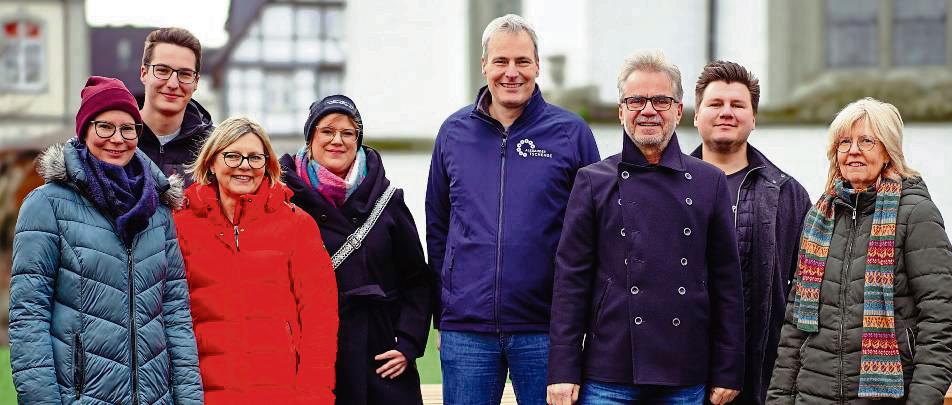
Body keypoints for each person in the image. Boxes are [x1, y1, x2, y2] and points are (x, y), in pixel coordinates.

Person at [546, 50, 744, 405]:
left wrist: (728, 368)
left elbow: (728, 283)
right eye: (636, 100)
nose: (648, 110)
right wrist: (562, 370)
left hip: (685, 372)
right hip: (609, 371)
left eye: (661, 100)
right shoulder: (592, 182)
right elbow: (569, 283)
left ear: (678, 110)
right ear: (622, 111)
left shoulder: (708, 182)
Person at [425, 13, 600, 405]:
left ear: (537, 66)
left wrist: (578, 321)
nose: (512, 73)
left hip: (547, 329)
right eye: (501, 61)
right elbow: (438, 226)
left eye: (522, 62)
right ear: (484, 65)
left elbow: (593, 232)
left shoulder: (571, 134)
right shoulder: (453, 133)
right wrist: (445, 313)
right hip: (466, 330)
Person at [9, 76, 202, 403]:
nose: (117, 139)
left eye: (128, 129)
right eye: (104, 127)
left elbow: (176, 317)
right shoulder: (46, 205)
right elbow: (29, 316)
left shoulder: (157, 211)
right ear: (83, 132)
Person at [768, 98, 952, 404]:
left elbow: (940, 322)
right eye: (844, 142)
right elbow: (793, 330)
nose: (853, 150)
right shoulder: (819, 219)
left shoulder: (917, 214)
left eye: (866, 140)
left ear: (888, 150)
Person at [279, 95, 433, 405]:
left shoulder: (387, 200)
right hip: (310, 355)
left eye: (348, 133)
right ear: (310, 138)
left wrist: (407, 342)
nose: (337, 140)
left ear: (358, 141)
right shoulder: (283, 199)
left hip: (379, 355)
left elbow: (417, 279)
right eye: (327, 131)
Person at [174, 117, 338, 404]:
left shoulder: (297, 225)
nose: (245, 166)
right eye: (233, 156)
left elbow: (320, 321)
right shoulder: (180, 225)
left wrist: (315, 396)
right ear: (212, 162)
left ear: (268, 165)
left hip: (279, 393)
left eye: (255, 158)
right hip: (204, 395)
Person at [689, 60, 811, 404]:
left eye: (737, 105)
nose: (726, 112)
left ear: (753, 118)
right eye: (715, 104)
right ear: (696, 115)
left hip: (762, 372)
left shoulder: (787, 194)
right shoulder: (666, 188)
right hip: (681, 371)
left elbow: (807, 289)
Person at [138, 27, 214, 183]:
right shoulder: (115, 141)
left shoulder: (214, 147)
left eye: (185, 74)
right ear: (144, 74)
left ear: (196, 82)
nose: (173, 84)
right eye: (162, 70)